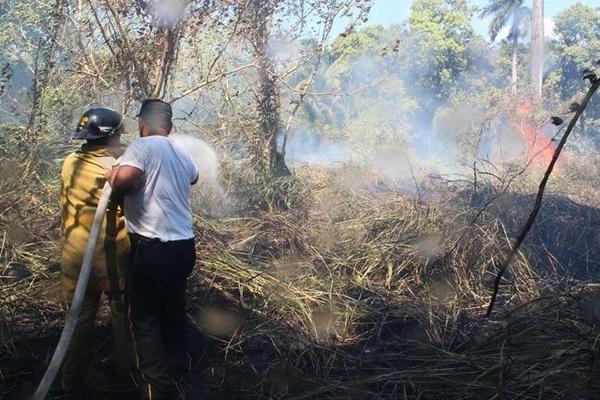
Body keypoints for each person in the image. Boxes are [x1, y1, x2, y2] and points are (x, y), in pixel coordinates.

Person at [108, 99, 199, 400]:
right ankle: (178, 372)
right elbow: (194, 177)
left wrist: (113, 174)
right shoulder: (180, 151)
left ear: (142, 125)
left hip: (152, 248)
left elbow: (126, 181)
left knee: (144, 317)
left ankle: (155, 388)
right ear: (170, 126)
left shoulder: (141, 147)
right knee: (173, 308)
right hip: (184, 247)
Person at [60, 107, 132, 396]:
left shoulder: (70, 162)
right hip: (114, 256)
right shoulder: (114, 169)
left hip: (75, 257)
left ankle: (72, 381)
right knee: (124, 318)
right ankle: (129, 376)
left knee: (78, 322)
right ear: (111, 137)